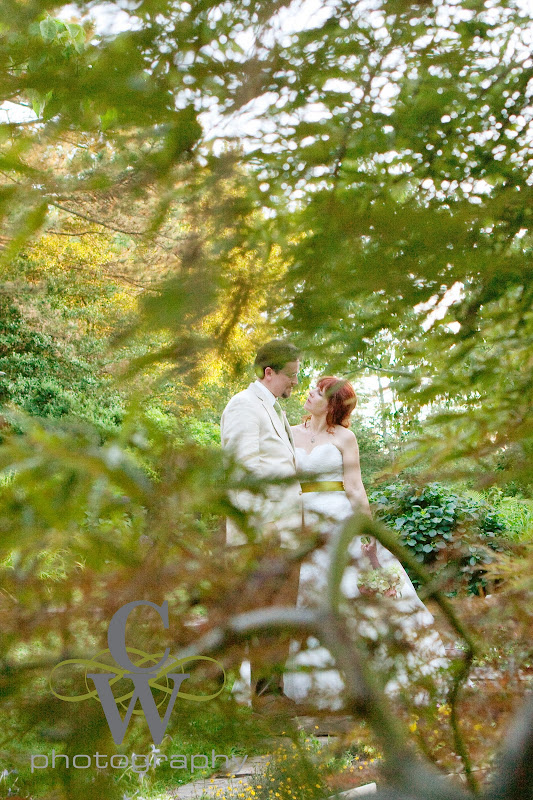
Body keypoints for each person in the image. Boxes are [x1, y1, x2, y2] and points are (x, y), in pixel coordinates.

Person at [283, 376, 447, 709]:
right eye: (312, 388)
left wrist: (368, 533)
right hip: (302, 522)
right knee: (312, 593)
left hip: (340, 520)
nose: (309, 394)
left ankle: (373, 676)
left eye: (317, 392)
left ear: (332, 404)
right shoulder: (288, 432)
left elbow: (355, 488)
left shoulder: (345, 438)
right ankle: (318, 680)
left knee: (352, 593)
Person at [220, 339, 303, 706]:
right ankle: (265, 704)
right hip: (263, 536)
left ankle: (273, 698)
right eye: (291, 377)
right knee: (265, 618)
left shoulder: (276, 411)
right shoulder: (243, 406)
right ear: (269, 373)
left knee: (281, 618)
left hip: (286, 534)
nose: (294, 385)